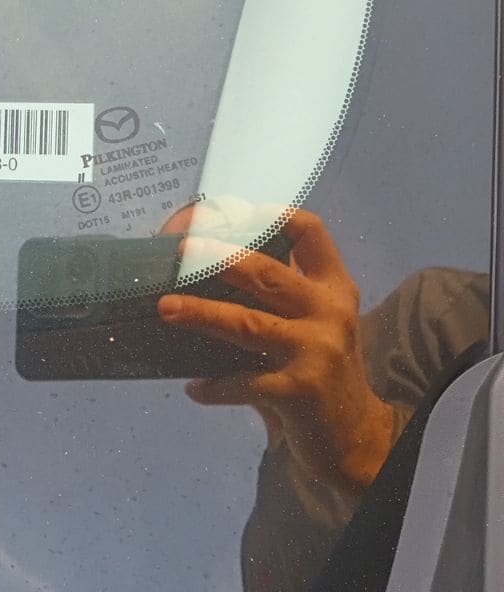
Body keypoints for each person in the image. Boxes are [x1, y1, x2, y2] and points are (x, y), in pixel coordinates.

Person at [156, 203, 489, 591]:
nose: (205, 295)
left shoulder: (431, 314)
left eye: (226, 256)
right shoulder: (260, 543)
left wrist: (364, 441)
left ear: (288, 262)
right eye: (178, 278)